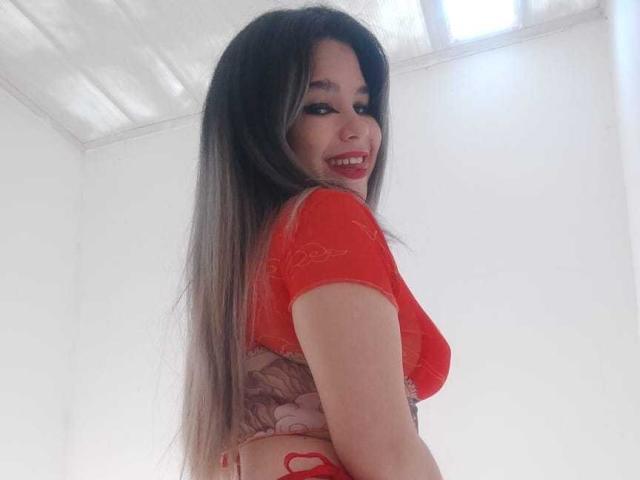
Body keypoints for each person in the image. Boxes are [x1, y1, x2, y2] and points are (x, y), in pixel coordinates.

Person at [177, 5, 451, 480]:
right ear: (262, 127)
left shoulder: (234, 269)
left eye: (363, 105)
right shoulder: (325, 216)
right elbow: (384, 452)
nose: (359, 128)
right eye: (321, 107)